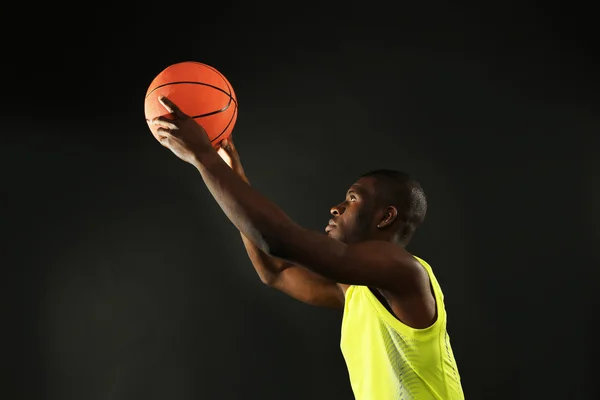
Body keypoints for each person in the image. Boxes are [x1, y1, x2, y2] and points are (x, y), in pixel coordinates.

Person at [148, 96, 465, 399]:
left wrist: (203, 157)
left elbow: (280, 240)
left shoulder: (402, 269)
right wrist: (233, 175)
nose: (336, 208)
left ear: (386, 217)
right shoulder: (357, 291)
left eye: (352, 199)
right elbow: (276, 271)